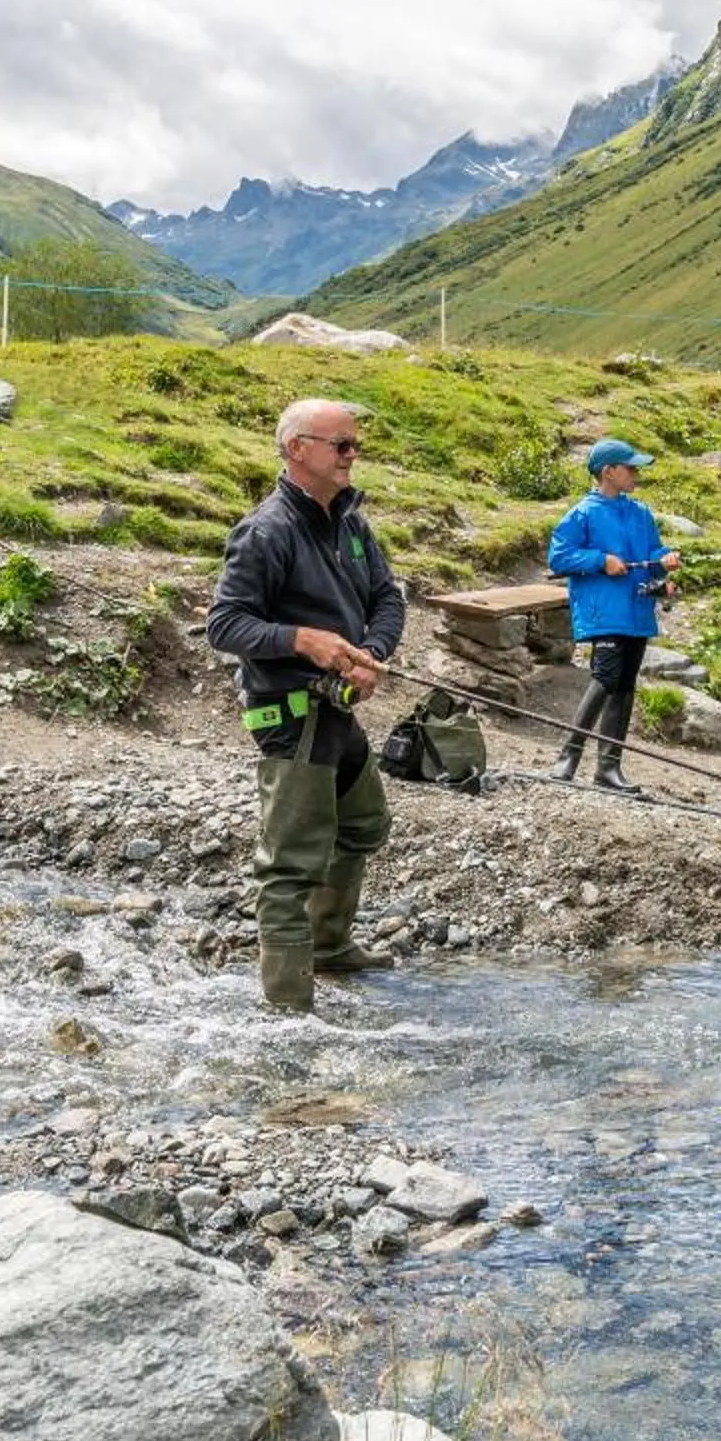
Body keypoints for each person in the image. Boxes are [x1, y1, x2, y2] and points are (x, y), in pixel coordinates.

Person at [204, 396, 406, 1014]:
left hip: (338, 712)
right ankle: (288, 1008)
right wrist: (304, 641)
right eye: (339, 445)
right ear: (297, 449)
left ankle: (328, 944)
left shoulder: (351, 523)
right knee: (289, 867)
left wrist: (368, 654)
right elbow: (225, 625)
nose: (352, 456)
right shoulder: (265, 531)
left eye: (355, 445)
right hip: (288, 715)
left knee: (364, 824)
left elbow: (387, 599)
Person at [544, 437, 679, 797]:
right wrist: (601, 561)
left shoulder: (641, 513)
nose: (637, 474)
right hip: (604, 611)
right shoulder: (582, 513)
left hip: (636, 611)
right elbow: (559, 558)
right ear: (608, 472)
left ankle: (608, 768)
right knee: (605, 676)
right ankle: (567, 758)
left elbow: (652, 552)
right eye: (631, 468)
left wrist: (664, 563)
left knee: (625, 684)